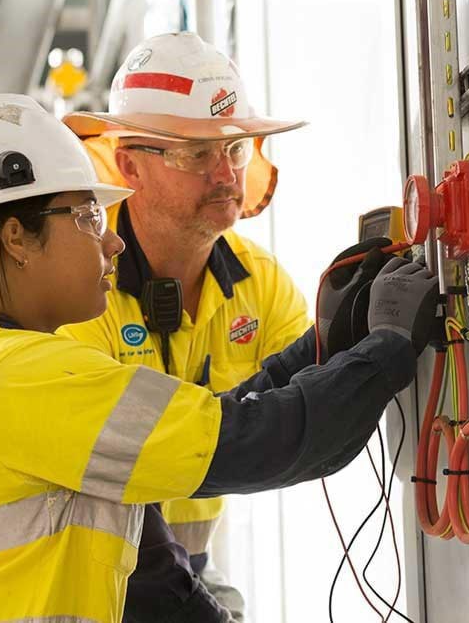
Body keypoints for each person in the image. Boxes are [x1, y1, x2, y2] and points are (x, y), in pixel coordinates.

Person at [0, 94, 438, 622]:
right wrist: (388, 346)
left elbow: (211, 423)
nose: (111, 239)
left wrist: (335, 338)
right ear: (17, 237)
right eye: (87, 217)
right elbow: (248, 442)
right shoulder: (16, 375)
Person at [59, 32, 313, 621]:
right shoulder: (77, 289)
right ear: (128, 165)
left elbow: (314, 394)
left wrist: (366, 333)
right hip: (91, 589)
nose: (225, 175)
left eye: (236, 149)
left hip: (186, 571)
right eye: (196, 154)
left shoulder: (261, 281)